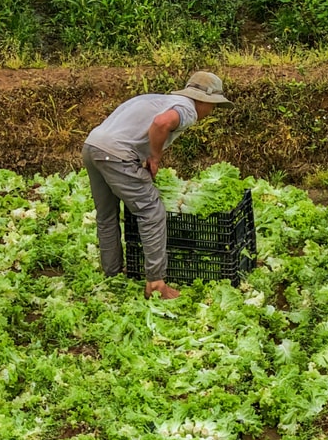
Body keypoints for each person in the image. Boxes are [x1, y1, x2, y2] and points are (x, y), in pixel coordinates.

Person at [82, 71, 232, 301]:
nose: (211, 112)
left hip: (93, 146)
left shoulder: (155, 99)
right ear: (203, 100)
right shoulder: (187, 109)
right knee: (151, 212)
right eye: (213, 106)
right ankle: (156, 283)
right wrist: (155, 157)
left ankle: (112, 272)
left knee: (106, 215)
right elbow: (161, 123)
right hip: (116, 154)